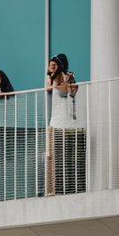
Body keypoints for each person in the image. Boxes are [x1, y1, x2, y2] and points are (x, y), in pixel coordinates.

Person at [45, 54, 79, 196]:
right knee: (51, 154)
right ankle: (52, 188)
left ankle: (69, 186)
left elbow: (71, 91)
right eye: (50, 65)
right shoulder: (52, 79)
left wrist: (67, 80)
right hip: (56, 120)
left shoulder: (63, 77)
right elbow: (49, 88)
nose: (52, 67)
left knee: (66, 153)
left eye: (55, 65)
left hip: (65, 120)